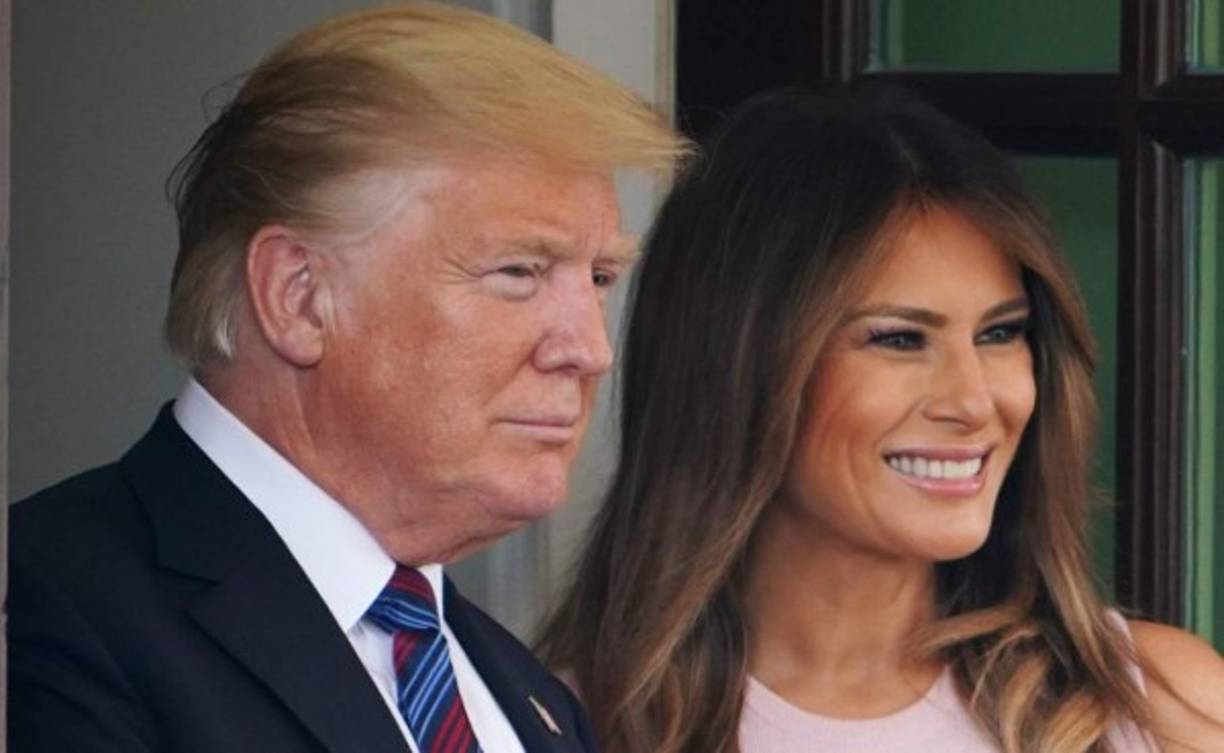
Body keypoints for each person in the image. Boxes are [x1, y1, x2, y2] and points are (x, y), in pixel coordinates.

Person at [8, 3, 686, 752]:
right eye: (519, 271)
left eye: (598, 277)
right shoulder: (49, 603)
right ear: (299, 297)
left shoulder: (530, 694)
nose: (591, 349)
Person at [538, 87, 1224, 753]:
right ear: (740, 365)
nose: (976, 400)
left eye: (1001, 333)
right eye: (900, 338)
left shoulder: (1162, 708)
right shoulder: (556, 726)